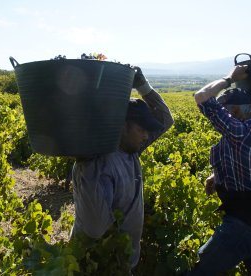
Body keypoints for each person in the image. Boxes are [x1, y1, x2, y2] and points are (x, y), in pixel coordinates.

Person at [70, 67, 174, 268]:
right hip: (96, 265)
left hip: (123, 261)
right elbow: (95, 228)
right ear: (121, 126)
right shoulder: (99, 165)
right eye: (141, 129)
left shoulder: (132, 149)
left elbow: (165, 120)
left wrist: (143, 87)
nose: (146, 136)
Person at [188, 65, 251, 275]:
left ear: (235, 111)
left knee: (200, 268)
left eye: (224, 111)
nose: (221, 116)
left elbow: (201, 96)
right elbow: (249, 165)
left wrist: (230, 78)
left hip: (243, 224)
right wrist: (217, 175)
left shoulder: (241, 134)